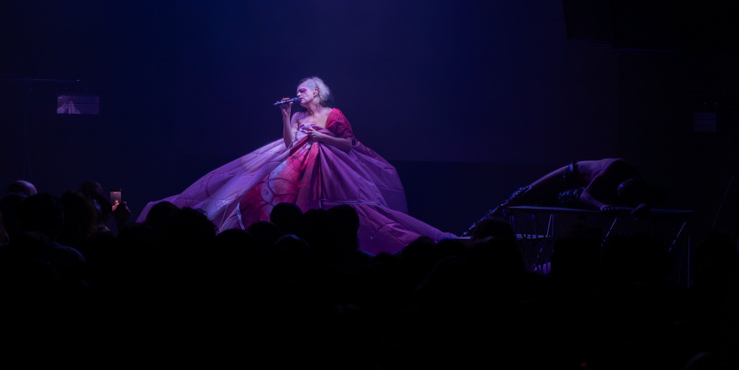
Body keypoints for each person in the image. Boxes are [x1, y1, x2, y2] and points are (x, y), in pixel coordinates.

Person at [138, 77, 456, 255]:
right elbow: (289, 145)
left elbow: (348, 144)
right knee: (258, 193)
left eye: (302, 89)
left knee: (344, 209)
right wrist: (286, 118)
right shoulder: (300, 115)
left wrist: (320, 136)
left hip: (329, 169)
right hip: (297, 165)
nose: (298, 94)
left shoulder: (333, 114)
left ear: (316, 92)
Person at [465, 158, 659, 236]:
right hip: (569, 175)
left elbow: (646, 199)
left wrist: (643, 205)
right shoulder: (614, 168)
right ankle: (476, 227)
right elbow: (586, 195)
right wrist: (600, 206)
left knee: (540, 202)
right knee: (522, 196)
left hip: (576, 188)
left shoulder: (637, 183)